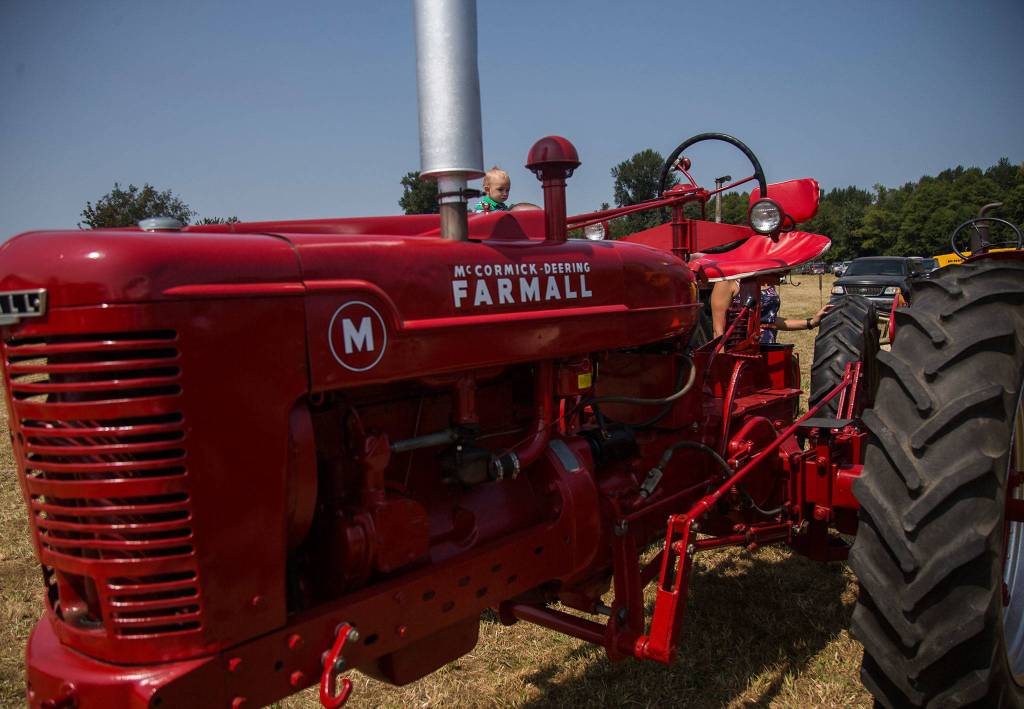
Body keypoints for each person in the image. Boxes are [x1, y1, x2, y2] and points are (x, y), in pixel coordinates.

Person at [710, 278, 830, 342]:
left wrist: (811, 322)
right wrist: (723, 367)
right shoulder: (728, 280)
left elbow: (769, 320)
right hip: (739, 352)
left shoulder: (765, 277)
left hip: (768, 348)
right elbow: (718, 332)